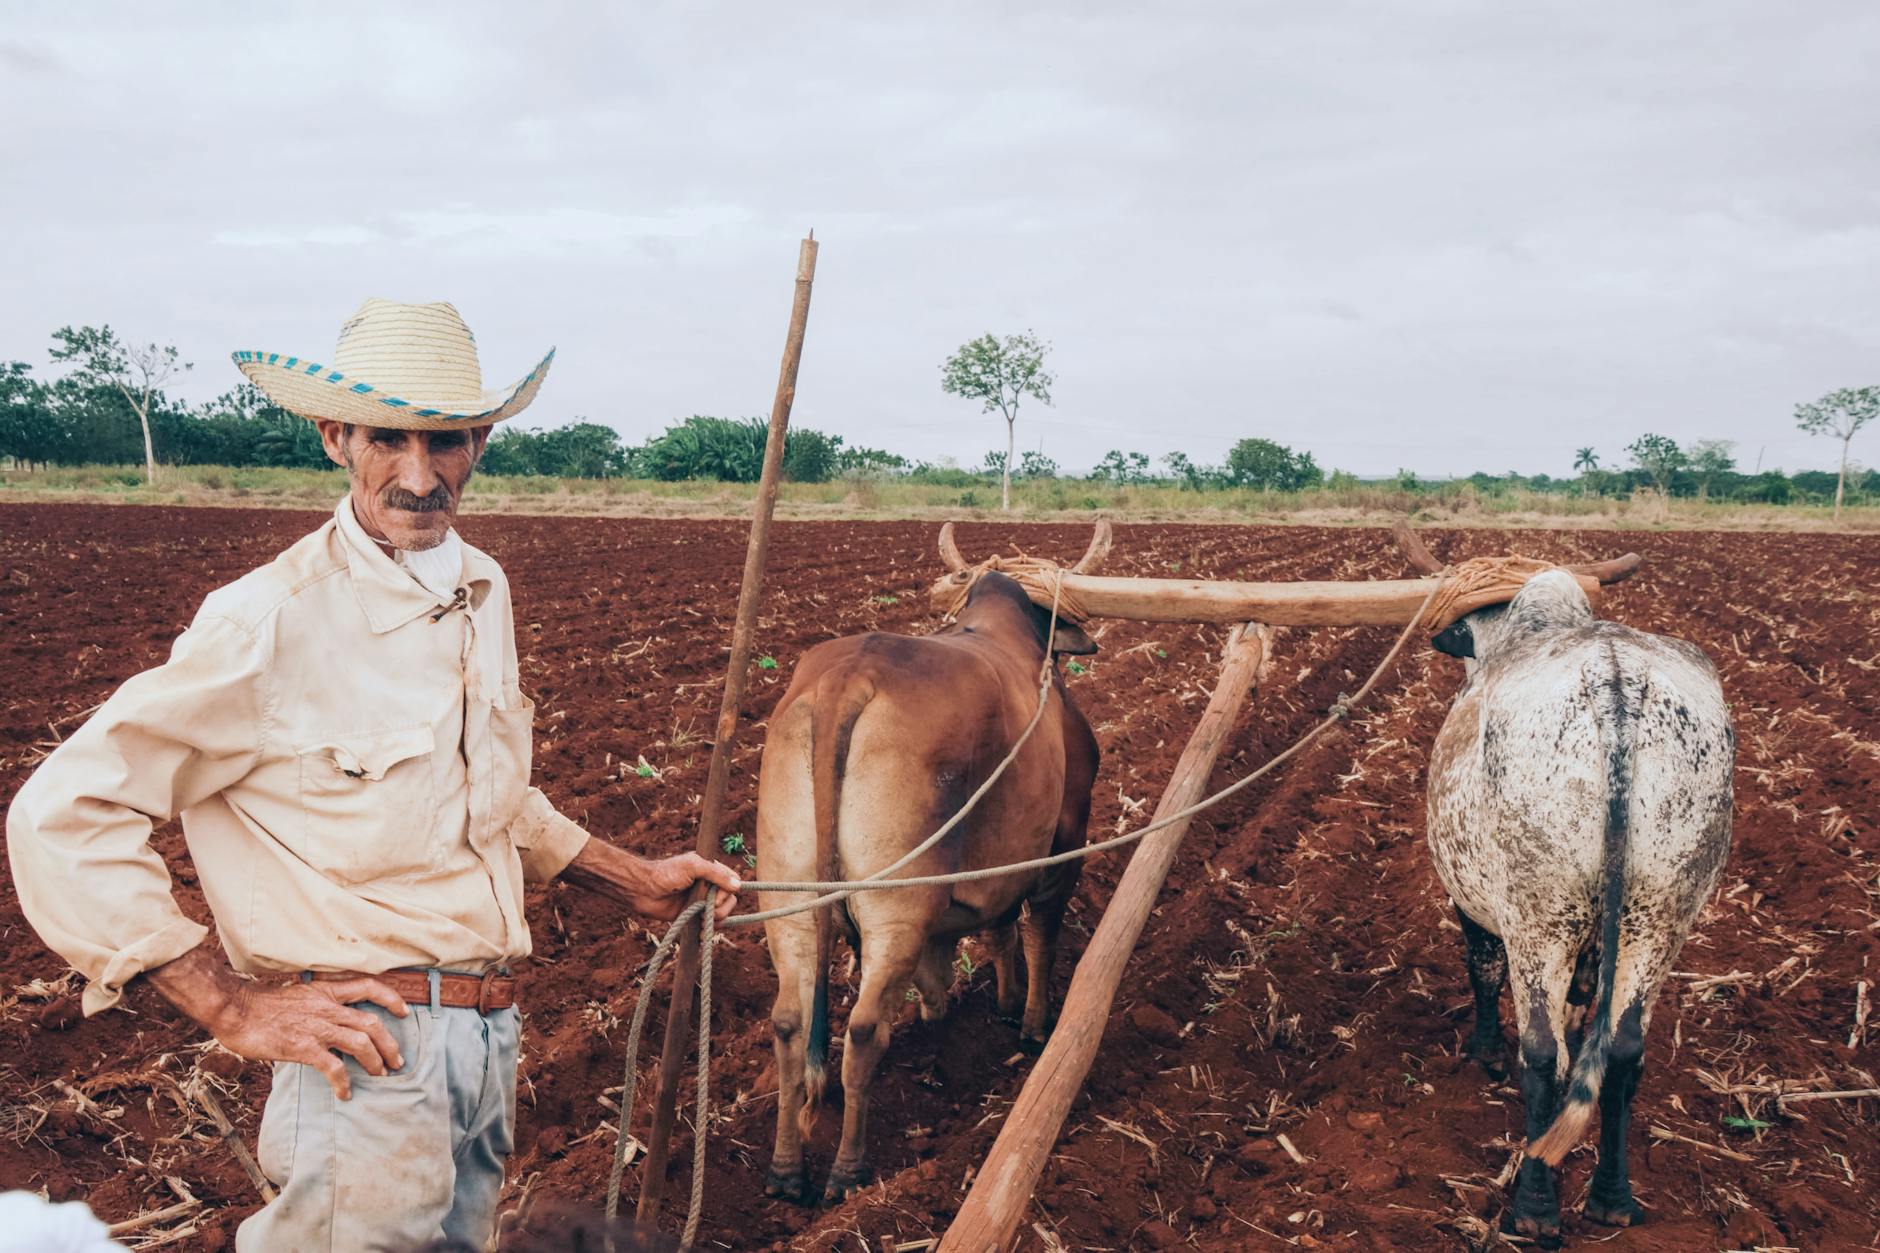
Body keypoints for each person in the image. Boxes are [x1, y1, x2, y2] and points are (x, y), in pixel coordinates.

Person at [6, 299, 741, 1252]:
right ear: (334, 437)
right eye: (388, 439)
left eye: (448, 441)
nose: (420, 474)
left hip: (485, 1044)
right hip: (368, 1055)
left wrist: (630, 877)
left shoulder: (483, 589)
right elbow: (62, 812)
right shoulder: (269, 620)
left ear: (481, 441)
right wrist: (229, 1003)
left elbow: (485, 798)